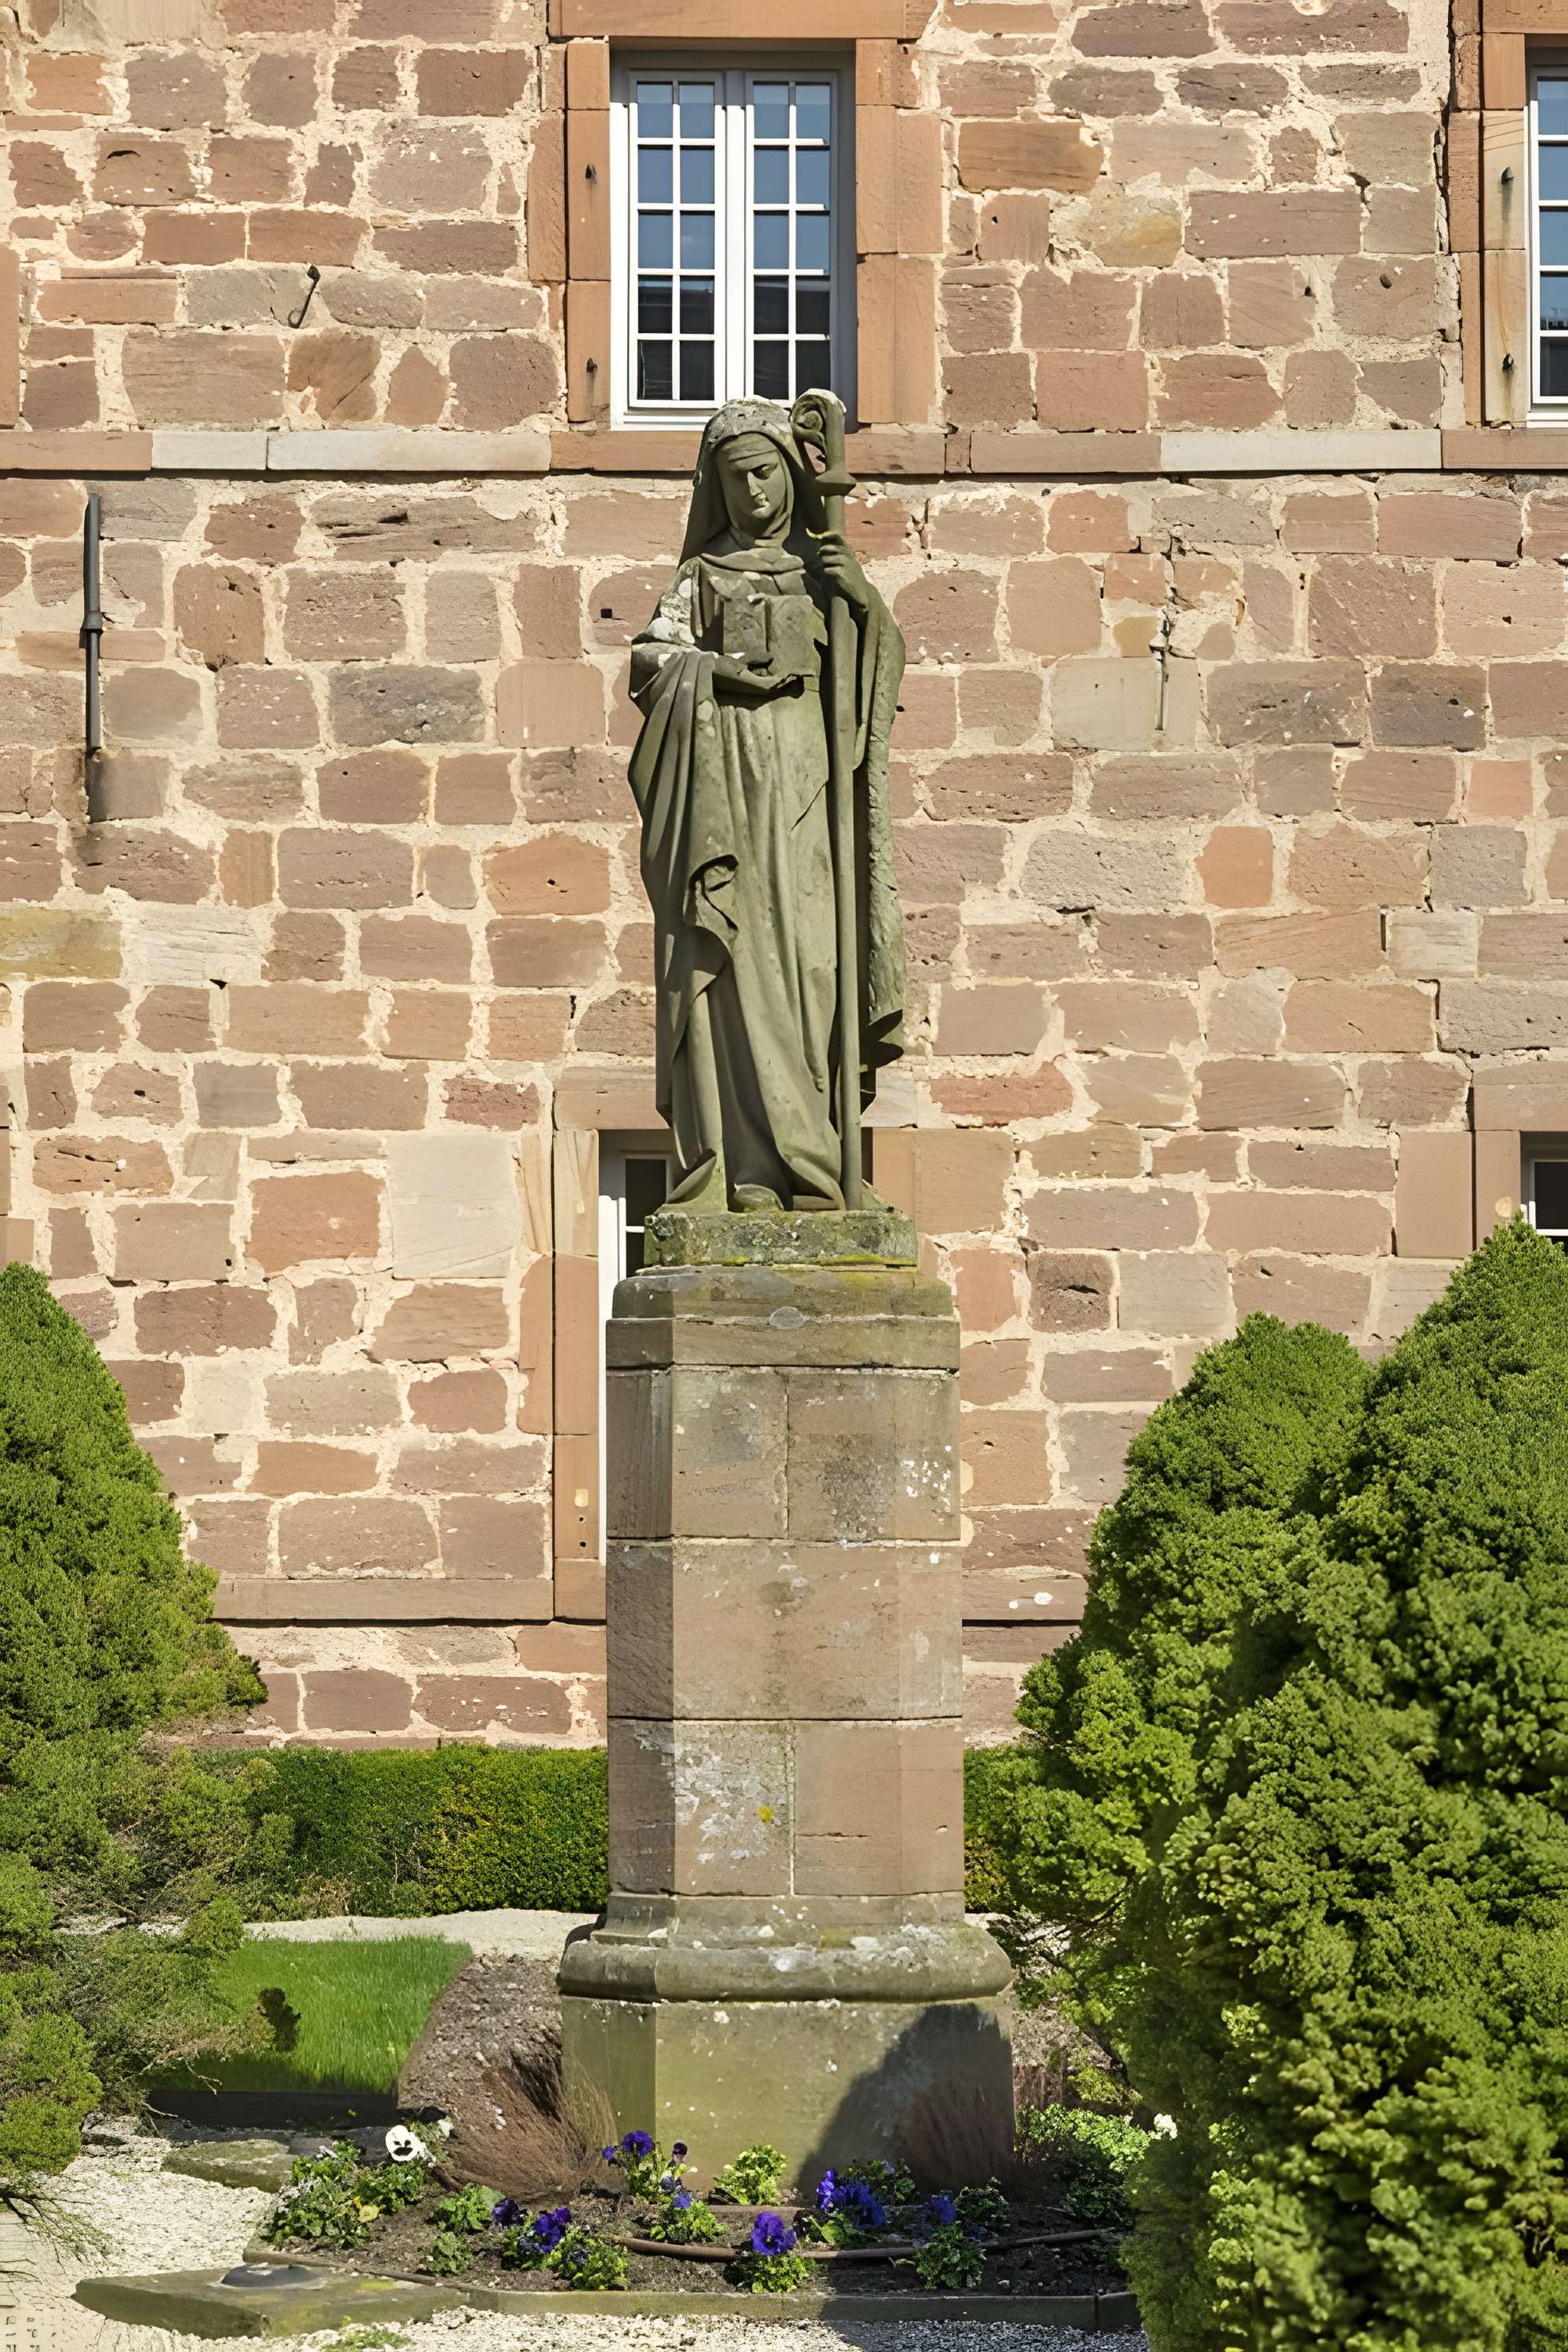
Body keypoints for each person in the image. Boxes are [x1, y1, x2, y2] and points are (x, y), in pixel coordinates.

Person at [628, 398, 906, 1214]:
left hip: (811, 788)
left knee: (816, 965)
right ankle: (749, 1168)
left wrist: (861, 604)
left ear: (788, 473)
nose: (751, 492)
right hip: (728, 789)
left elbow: (874, 680)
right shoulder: (702, 576)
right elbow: (651, 662)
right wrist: (713, 671)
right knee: (740, 965)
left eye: (763, 474)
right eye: (734, 479)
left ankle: (819, 1155)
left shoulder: (824, 573)